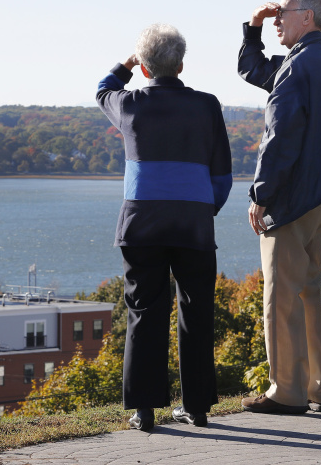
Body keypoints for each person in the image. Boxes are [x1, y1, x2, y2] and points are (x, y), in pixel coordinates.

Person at [96, 24, 233, 432]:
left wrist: (126, 64)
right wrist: (204, 209)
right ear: (182, 64)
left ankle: (144, 410)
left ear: (144, 69)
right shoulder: (207, 105)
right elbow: (222, 175)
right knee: (197, 313)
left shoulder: (130, 104)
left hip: (142, 223)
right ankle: (198, 407)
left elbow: (103, 88)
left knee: (144, 313)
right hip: (193, 223)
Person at [237, 0, 321, 414]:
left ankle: (286, 391)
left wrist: (261, 195)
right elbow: (253, 70)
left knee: (280, 299)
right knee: (309, 295)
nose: (277, 18)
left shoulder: (299, 66)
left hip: (292, 202)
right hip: (320, 200)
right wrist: (254, 29)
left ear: (309, 17)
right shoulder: (320, 61)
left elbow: (280, 135)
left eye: (283, 12)